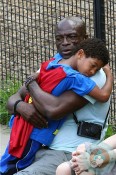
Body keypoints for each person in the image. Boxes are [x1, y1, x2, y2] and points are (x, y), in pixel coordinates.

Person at [3, 16, 113, 175]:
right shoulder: (56, 64)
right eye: (59, 38)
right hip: (40, 146)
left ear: (84, 39)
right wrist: (21, 106)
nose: (65, 42)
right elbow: (13, 100)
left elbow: (53, 110)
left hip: (69, 152)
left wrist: (32, 84)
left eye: (72, 36)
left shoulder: (92, 73)